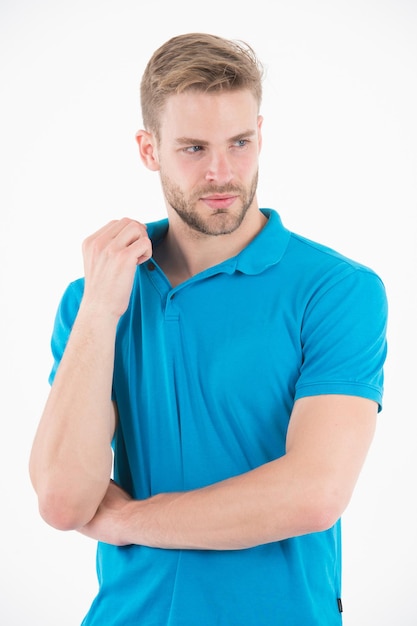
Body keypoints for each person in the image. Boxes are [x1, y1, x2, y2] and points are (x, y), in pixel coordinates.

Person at [29, 32, 388, 625]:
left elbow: (314, 493)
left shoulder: (336, 290)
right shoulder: (94, 298)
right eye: (194, 148)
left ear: (260, 136)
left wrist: (123, 520)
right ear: (150, 150)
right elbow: (65, 500)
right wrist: (99, 310)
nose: (222, 173)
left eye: (239, 143)